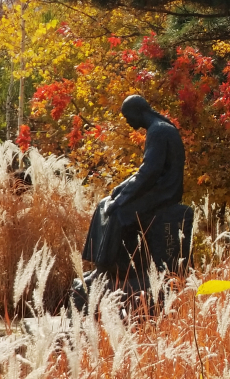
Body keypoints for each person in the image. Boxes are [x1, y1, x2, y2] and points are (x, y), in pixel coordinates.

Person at [72, 95, 191, 309]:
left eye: (128, 117)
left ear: (139, 111)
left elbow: (149, 172)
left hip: (164, 192)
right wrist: (121, 188)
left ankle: (104, 268)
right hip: (159, 187)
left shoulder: (158, 130)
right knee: (103, 204)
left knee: (116, 213)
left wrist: (123, 198)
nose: (128, 122)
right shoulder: (159, 128)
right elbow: (146, 169)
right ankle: (102, 266)